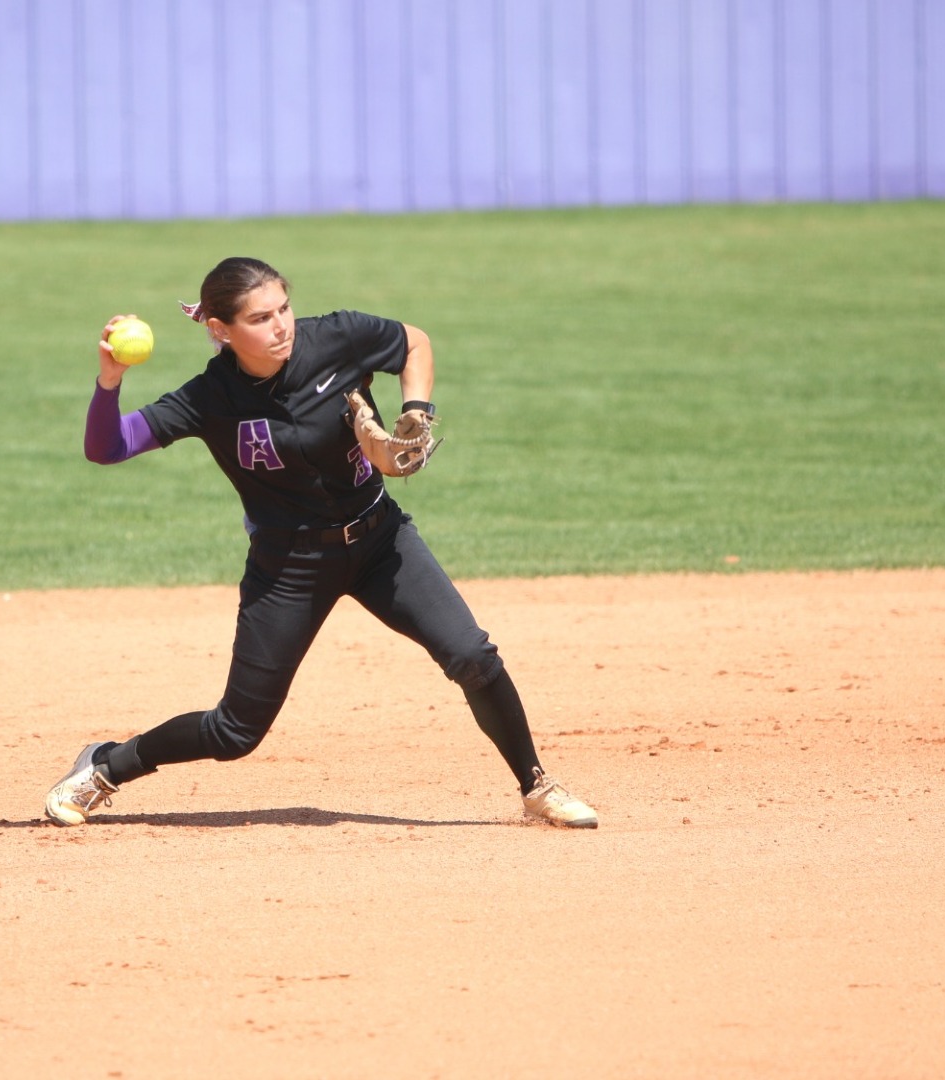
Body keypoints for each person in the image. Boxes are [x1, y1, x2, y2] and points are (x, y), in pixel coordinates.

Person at [44, 256, 596, 828]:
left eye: (284, 308)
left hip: (381, 540)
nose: (281, 325)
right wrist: (109, 381)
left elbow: (414, 343)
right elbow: (108, 446)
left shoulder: (336, 337)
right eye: (260, 318)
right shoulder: (209, 398)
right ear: (221, 330)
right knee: (235, 732)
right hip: (290, 567)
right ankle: (107, 764)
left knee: (472, 656)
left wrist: (415, 409)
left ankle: (537, 787)